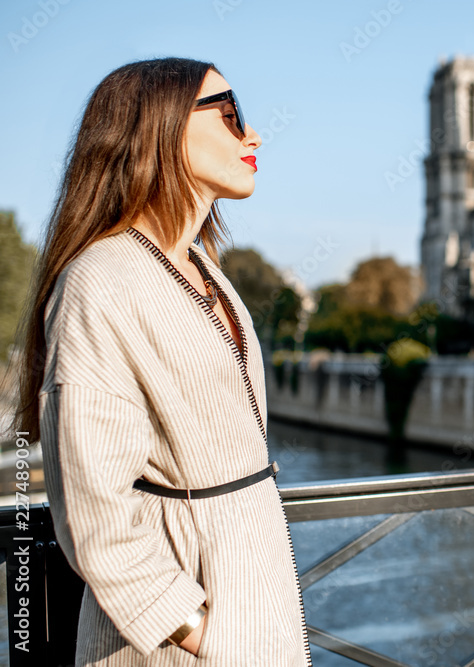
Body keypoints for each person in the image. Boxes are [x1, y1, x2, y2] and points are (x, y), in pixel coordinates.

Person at [12, 58, 312, 666]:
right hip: (184, 634)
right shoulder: (101, 279)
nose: (252, 135)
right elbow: (94, 506)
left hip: (254, 601)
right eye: (229, 114)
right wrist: (199, 630)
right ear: (160, 127)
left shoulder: (204, 269)